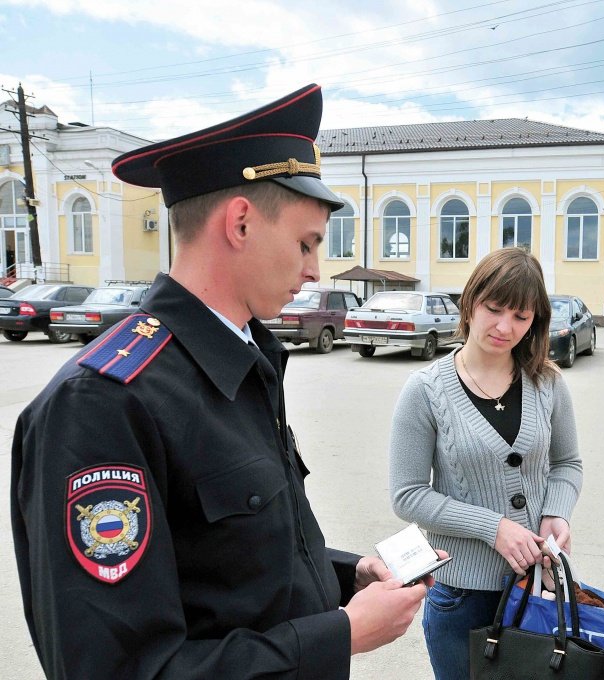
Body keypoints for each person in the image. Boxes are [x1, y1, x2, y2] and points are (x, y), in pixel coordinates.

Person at [10, 84, 434, 679]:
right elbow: (120, 669)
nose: (315, 270)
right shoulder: (104, 403)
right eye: (306, 243)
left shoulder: (244, 358)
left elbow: (235, 568)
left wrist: (346, 577)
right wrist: (337, 637)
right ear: (239, 223)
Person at [389, 247, 583, 680]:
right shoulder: (425, 390)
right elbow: (407, 495)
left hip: (537, 586)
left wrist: (556, 512)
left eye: (521, 316)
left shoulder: (547, 381)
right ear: (470, 302)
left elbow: (568, 463)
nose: (504, 327)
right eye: (494, 309)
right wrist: (493, 527)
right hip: (460, 595)